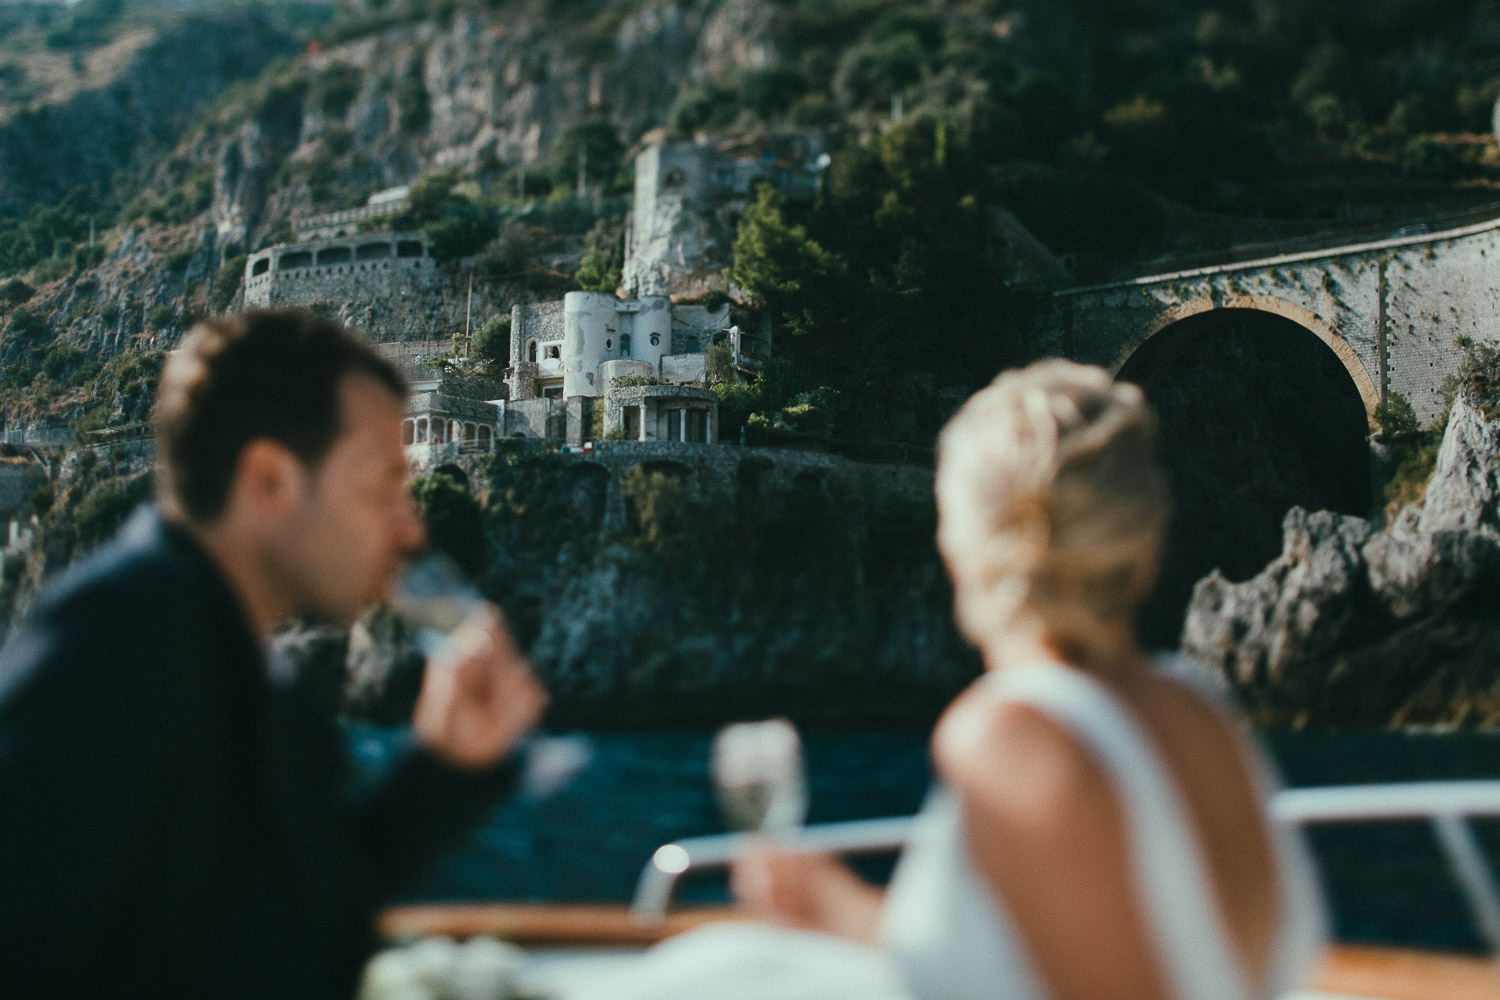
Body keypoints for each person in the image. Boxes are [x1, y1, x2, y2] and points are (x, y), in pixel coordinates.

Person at [569, 359, 1325, 1000]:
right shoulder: (1202, 710)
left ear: (964, 546)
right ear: (1145, 541)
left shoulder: (1013, 734)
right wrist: (837, 904)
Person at [0, 309, 546, 998]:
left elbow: (289, 934)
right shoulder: (113, 652)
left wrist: (442, 770)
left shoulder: (227, 657)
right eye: (383, 483)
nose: (411, 526)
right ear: (271, 481)